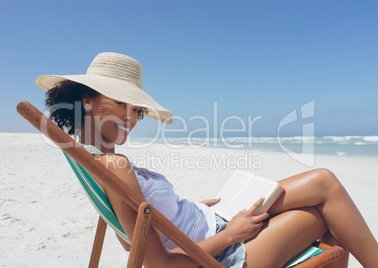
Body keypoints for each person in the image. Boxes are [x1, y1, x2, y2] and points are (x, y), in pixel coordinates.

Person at [38, 52, 378, 267]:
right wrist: (232, 234)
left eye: (136, 109)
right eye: (122, 104)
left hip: (210, 221)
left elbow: (127, 235)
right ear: (86, 101)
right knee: (325, 212)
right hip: (215, 252)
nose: (132, 118)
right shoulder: (115, 167)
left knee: (323, 182)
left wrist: (175, 214)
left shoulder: (98, 163)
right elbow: (158, 264)